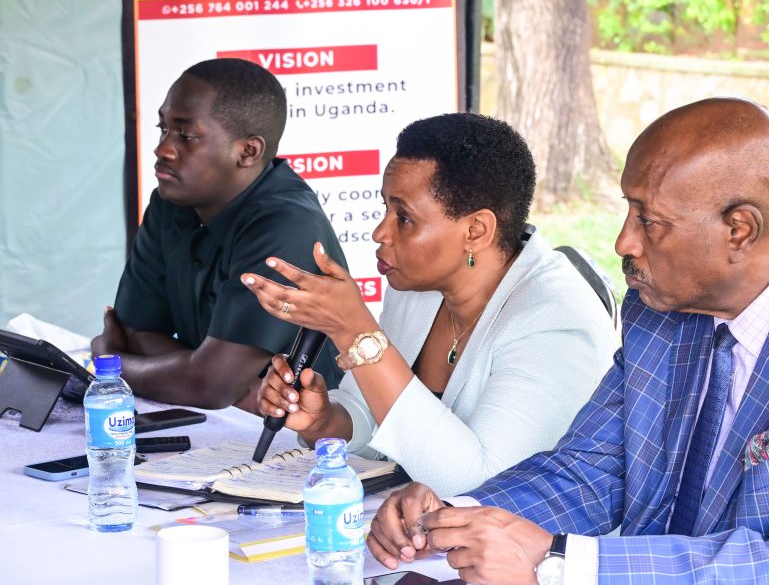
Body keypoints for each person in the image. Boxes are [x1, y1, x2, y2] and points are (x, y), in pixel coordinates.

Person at [365, 98, 769, 584]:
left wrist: (554, 557)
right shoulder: (663, 304)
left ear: (740, 228)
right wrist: (456, 515)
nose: (623, 241)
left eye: (649, 220)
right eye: (627, 209)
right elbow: (595, 466)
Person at [240, 113, 618, 496]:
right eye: (385, 208)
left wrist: (355, 331)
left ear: (476, 231)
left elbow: (483, 488)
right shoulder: (414, 289)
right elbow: (379, 422)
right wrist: (325, 422)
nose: (380, 232)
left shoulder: (555, 321)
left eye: (403, 218)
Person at [91, 58, 346, 413]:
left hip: (309, 440)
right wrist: (224, 383)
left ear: (248, 151)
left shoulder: (285, 223)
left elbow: (209, 385)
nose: (162, 148)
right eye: (162, 128)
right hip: (223, 423)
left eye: (186, 135)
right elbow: (135, 334)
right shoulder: (171, 202)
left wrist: (109, 365)